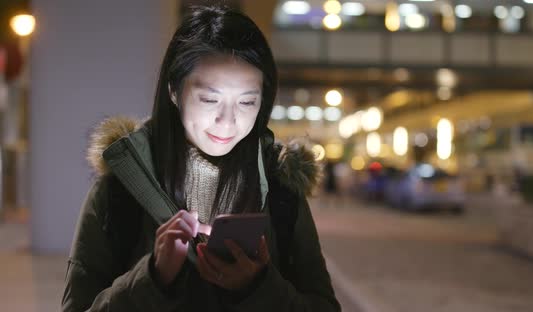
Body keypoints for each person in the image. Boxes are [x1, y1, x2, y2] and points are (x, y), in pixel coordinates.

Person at [61, 5, 341, 312]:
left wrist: (259, 287)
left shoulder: (281, 189)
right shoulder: (121, 187)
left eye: (248, 102)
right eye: (209, 99)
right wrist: (152, 278)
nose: (228, 120)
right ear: (173, 90)